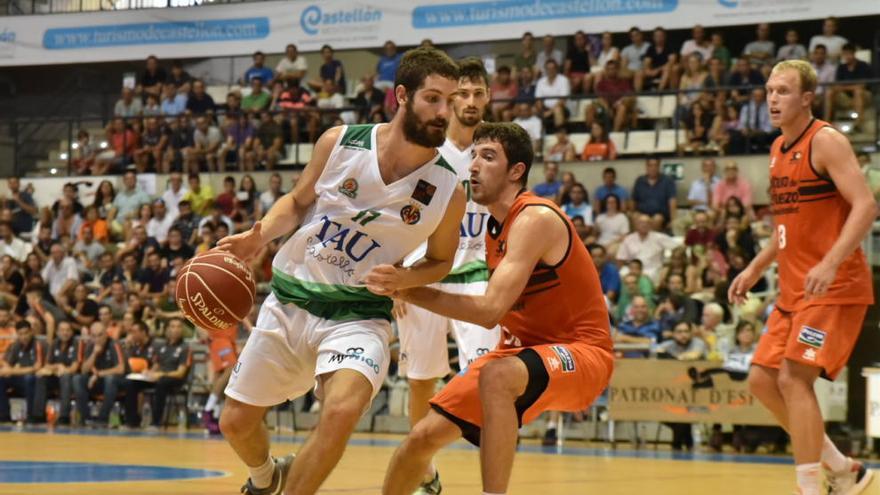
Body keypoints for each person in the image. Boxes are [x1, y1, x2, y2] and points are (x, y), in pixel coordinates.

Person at [216, 47, 465, 495]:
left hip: (359, 315)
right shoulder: (340, 142)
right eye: (433, 98)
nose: (444, 111)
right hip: (291, 302)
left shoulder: (449, 187)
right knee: (234, 422)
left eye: (451, 100)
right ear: (402, 95)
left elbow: (441, 260)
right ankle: (266, 478)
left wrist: (405, 280)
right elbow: (296, 202)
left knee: (341, 411)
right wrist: (260, 235)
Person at [381, 122, 612, 495]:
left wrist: (405, 289)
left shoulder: (536, 218)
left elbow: (489, 310)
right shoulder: (493, 228)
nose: (473, 165)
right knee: (419, 440)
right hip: (521, 353)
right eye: (473, 155)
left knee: (497, 377)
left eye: (487, 157)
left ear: (516, 171)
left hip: (582, 354)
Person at [730, 60, 875, 495]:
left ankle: (810, 489)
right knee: (761, 379)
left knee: (794, 379)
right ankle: (841, 468)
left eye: (784, 91)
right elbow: (787, 226)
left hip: (834, 289)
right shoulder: (777, 150)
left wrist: (830, 262)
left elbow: (866, 205)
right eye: (770, 90)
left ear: (807, 98)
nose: (773, 99)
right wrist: (756, 266)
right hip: (794, 292)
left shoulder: (826, 141)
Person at [394, 58, 501, 494]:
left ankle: (494, 481)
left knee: (490, 380)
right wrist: (399, 272)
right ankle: (424, 474)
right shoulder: (427, 150)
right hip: (422, 276)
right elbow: (398, 215)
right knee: (422, 379)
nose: (471, 101)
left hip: (476, 276)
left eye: (479, 93)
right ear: (451, 98)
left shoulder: (496, 150)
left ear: (488, 97)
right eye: (464, 93)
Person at [124, 319, 191, 429]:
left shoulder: (185, 348)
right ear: (168, 329)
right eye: (173, 326)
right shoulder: (162, 346)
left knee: (161, 383)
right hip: (158, 377)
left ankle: (155, 422)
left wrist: (160, 374)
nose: (176, 329)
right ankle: (132, 421)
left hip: (174, 380)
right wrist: (149, 372)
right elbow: (157, 364)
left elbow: (180, 373)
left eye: (179, 327)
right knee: (131, 383)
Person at [73, 322, 125, 427]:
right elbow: (84, 369)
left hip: (115, 383)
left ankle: (103, 419)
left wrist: (98, 374)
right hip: (96, 382)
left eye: (100, 335)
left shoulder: (114, 344)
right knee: (77, 379)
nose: (97, 339)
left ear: (106, 334)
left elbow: (120, 369)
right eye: (94, 336)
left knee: (110, 379)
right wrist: (94, 354)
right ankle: (86, 418)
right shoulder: (90, 346)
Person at [33, 321, 81, 425]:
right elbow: (47, 364)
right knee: (41, 377)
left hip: (70, 378)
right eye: (62, 330)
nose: (65, 333)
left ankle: (64, 416)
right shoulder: (54, 343)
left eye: (68, 330)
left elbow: (75, 367)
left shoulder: (76, 343)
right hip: (55, 376)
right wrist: (58, 366)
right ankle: (38, 415)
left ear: (72, 332)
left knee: (66, 377)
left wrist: (64, 370)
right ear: (57, 332)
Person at [0, 320, 46, 423]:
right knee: (1, 378)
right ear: (17, 334)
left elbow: (36, 367)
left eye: (26, 333)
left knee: (29, 378)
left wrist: (12, 371)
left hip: (36, 379)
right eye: (20, 334)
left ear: (31, 332)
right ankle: (3, 415)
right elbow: (8, 364)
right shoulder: (16, 345)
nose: (24, 336)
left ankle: (31, 415)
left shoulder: (38, 344)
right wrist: (7, 369)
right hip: (21, 378)